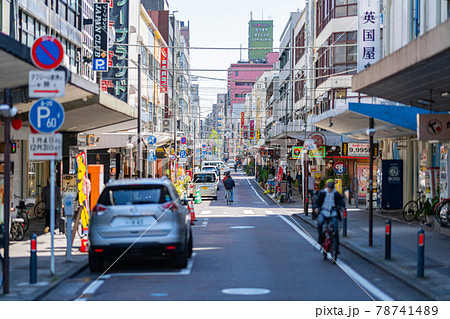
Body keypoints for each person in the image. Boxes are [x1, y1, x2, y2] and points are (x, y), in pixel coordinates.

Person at [313, 179, 345, 253]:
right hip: (323, 212)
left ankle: (336, 248)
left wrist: (342, 207)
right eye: (329, 188)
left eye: (331, 188)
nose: (330, 190)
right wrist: (316, 207)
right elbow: (316, 201)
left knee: (336, 229)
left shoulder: (336, 194)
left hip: (333, 212)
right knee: (320, 223)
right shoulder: (322, 193)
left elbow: (341, 201)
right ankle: (321, 240)